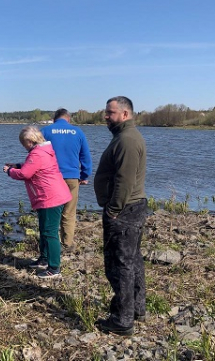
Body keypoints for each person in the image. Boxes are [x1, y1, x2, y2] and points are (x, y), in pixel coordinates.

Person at [93, 96, 147, 336]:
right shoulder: (125, 137)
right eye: (106, 112)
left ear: (125, 114)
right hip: (130, 208)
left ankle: (122, 320)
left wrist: (113, 209)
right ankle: (135, 308)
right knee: (132, 260)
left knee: (119, 264)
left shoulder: (126, 140)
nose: (106, 116)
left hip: (124, 211)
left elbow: (125, 181)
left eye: (110, 112)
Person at [3, 126, 72, 279]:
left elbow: (25, 174)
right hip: (50, 196)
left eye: (24, 143)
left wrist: (9, 171)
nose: (23, 146)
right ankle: (44, 259)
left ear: (30, 140)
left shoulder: (38, 153)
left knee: (50, 232)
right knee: (44, 229)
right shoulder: (43, 151)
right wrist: (18, 165)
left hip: (50, 197)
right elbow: (32, 168)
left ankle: (54, 268)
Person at [41, 108, 92, 251]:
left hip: (52, 178)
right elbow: (86, 157)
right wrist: (84, 176)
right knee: (69, 212)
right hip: (72, 177)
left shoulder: (45, 131)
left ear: (54, 119)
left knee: (51, 213)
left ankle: (50, 246)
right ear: (68, 119)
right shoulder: (78, 132)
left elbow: (36, 154)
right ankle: (67, 244)